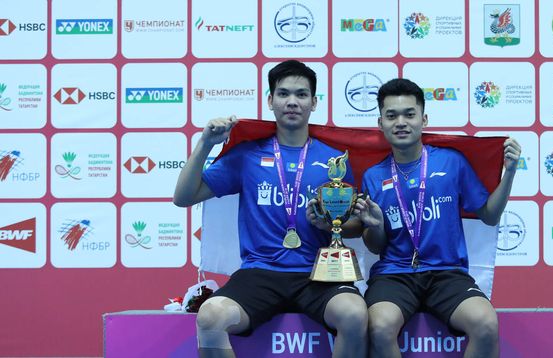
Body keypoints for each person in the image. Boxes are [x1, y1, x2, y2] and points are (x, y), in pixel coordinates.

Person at [173, 60, 368, 358]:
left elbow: (353, 226)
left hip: (318, 275)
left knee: (355, 315)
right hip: (259, 273)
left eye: (302, 94)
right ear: (270, 100)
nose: (292, 101)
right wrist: (205, 144)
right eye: (283, 93)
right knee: (211, 317)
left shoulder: (334, 163)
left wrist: (328, 226)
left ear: (314, 103)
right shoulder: (247, 155)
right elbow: (183, 197)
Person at [353, 78, 520, 358]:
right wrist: (376, 226)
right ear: (380, 123)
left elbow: (489, 216)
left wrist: (510, 172)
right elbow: (375, 246)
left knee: (486, 323)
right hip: (395, 275)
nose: (401, 122)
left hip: (447, 273)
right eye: (391, 116)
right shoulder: (373, 176)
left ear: (424, 118)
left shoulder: (450, 162)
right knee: (380, 327)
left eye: (409, 113)